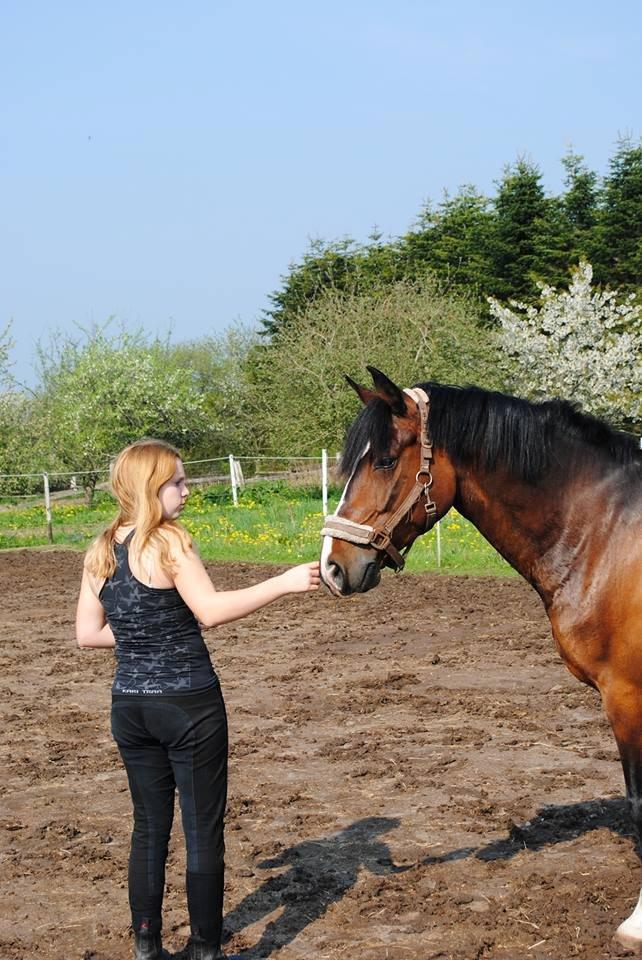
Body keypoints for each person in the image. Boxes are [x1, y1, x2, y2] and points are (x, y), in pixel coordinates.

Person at [75, 439, 320, 960]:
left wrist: (144, 632)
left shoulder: (101, 549)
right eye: (177, 483)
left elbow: (87, 634)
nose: (187, 491)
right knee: (202, 829)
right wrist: (282, 582)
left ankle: (147, 947)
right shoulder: (171, 542)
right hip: (188, 705)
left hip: (130, 708)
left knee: (148, 828)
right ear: (150, 487)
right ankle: (205, 950)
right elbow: (209, 611)